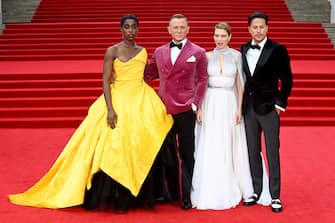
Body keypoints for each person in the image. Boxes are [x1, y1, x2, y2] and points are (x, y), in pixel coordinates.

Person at [8, 14, 174, 212]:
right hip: (118, 98)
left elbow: (145, 75)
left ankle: (141, 192)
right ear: (121, 30)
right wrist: (110, 109)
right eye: (127, 27)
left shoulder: (143, 51)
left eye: (134, 27)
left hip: (141, 99)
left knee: (148, 136)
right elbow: (105, 80)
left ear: (138, 29)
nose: (131, 30)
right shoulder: (112, 51)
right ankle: (112, 192)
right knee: (112, 141)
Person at [190, 22, 271, 210]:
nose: (219, 39)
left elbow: (240, 85)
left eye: (223, 36)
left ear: (230, 37)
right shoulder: (205, 56)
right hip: (210, 102)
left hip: (229, 102)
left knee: (229, 141)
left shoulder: (237, 56)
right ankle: (210, 183)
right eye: (216, 36)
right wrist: (199, 108)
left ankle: (234, 180)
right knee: (211, 142)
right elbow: (199, 83)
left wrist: (239, 109)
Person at [144, 14, 208, 210]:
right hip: (163, 110)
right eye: (175, 27)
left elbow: (203, 79)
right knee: (165, 153)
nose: (179, 30)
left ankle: (188, 195)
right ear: (168, 30)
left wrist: (195, 103)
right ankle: (169, 193)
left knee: (187, 153)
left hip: (186, 109)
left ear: (188, 29)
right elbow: (148, 75)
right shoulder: (160, 51)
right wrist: (124, 75)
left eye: (182, 27)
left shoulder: (198, 51)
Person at [241, 12, 293, 213]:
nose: (258, 30)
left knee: (272, 151)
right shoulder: (244, 48)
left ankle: (275, 195)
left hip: (269, 109)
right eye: (255, 27)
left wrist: (280, 104)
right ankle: (256, 190)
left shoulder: (278, 49)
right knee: (252, 150)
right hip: (249, 109)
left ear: (267, 28)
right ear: (249, 29)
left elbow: (287, 79)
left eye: (262, 27)